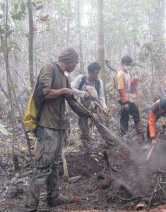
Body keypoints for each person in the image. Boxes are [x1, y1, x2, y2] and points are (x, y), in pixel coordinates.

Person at [25, 47, 98, 212]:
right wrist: (64, 91)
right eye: (76, 61)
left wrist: (90, 114)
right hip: (46, 126)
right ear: (69, 59)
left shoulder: (64, 79)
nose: (76, 64)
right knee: (44, 166)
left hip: (58, 127)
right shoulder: (49, 68)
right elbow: (43, 93)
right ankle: (31, 205)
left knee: (55, 163)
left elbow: (72, 103)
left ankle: (53, 196)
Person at [71, 62, 110, 149]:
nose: (97, 75)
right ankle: (86, 146)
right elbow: (71, 89)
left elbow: (101, 97)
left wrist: (104, 108)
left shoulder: (99, 82)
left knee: (101, 124)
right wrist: (83, 93)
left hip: (94, 106)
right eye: (95, 73)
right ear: (89, 72)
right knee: (84, 127)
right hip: (82, 107)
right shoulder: (80, 79)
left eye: (98, 73)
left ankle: (111, 143)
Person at [116, 55, 141, 137]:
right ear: (122, 64)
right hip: (123, 97)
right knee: (125, 116)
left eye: (129, 64)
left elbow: (129, 84)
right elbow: (121, 89)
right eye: (127, 64)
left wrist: (134, 81)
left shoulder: (128, 73)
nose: (128, 66)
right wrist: (124, 103)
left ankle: (137, 129)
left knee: (136, 112)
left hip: (129, 97)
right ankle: (123, 134)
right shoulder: (120, 74)